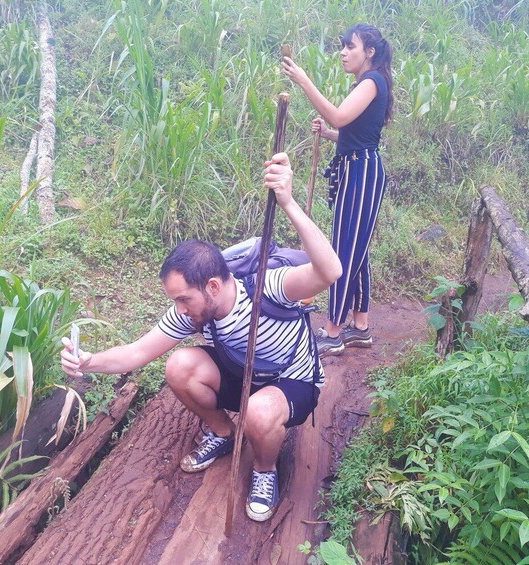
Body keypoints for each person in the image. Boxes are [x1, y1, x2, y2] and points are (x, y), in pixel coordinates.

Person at [60, 153, 341, 523]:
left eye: (183, 299)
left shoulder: (266, 288)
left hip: (291, 382)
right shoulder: (194, 311)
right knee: (179, 365)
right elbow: (138, 352)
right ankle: (223, 432)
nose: (180, 308)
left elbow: (329, 270)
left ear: (212, 286)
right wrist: (89, 362)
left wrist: (287, 202)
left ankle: (264, 470)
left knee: (260, 412)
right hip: (243, 376)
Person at [282, 23, 394, 357]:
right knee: (357, 248)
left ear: (369, 52)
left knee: (345, 250)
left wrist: (303, 80)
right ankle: (360, 327)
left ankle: (333, 331)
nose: (343, 53)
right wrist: (331, 135)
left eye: (350, 47)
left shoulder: (372, 81)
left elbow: (339, 116)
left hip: (361, 172)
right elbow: (355, 131)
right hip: (357, 166)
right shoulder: (369, 82)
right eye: (342, 46)